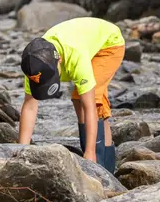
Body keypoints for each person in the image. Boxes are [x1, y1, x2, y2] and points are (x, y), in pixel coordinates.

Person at [17, 17, 125, 173]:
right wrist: (22, 151)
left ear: (59, 60)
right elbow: (30, 107)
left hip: (108, 45)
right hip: (84, 41)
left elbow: (89, 107)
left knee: (91, 100)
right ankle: (104, 164)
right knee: (78, 99)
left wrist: (89, 153)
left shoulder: (76, 56)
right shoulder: (34, 63)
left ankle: (101, 166)